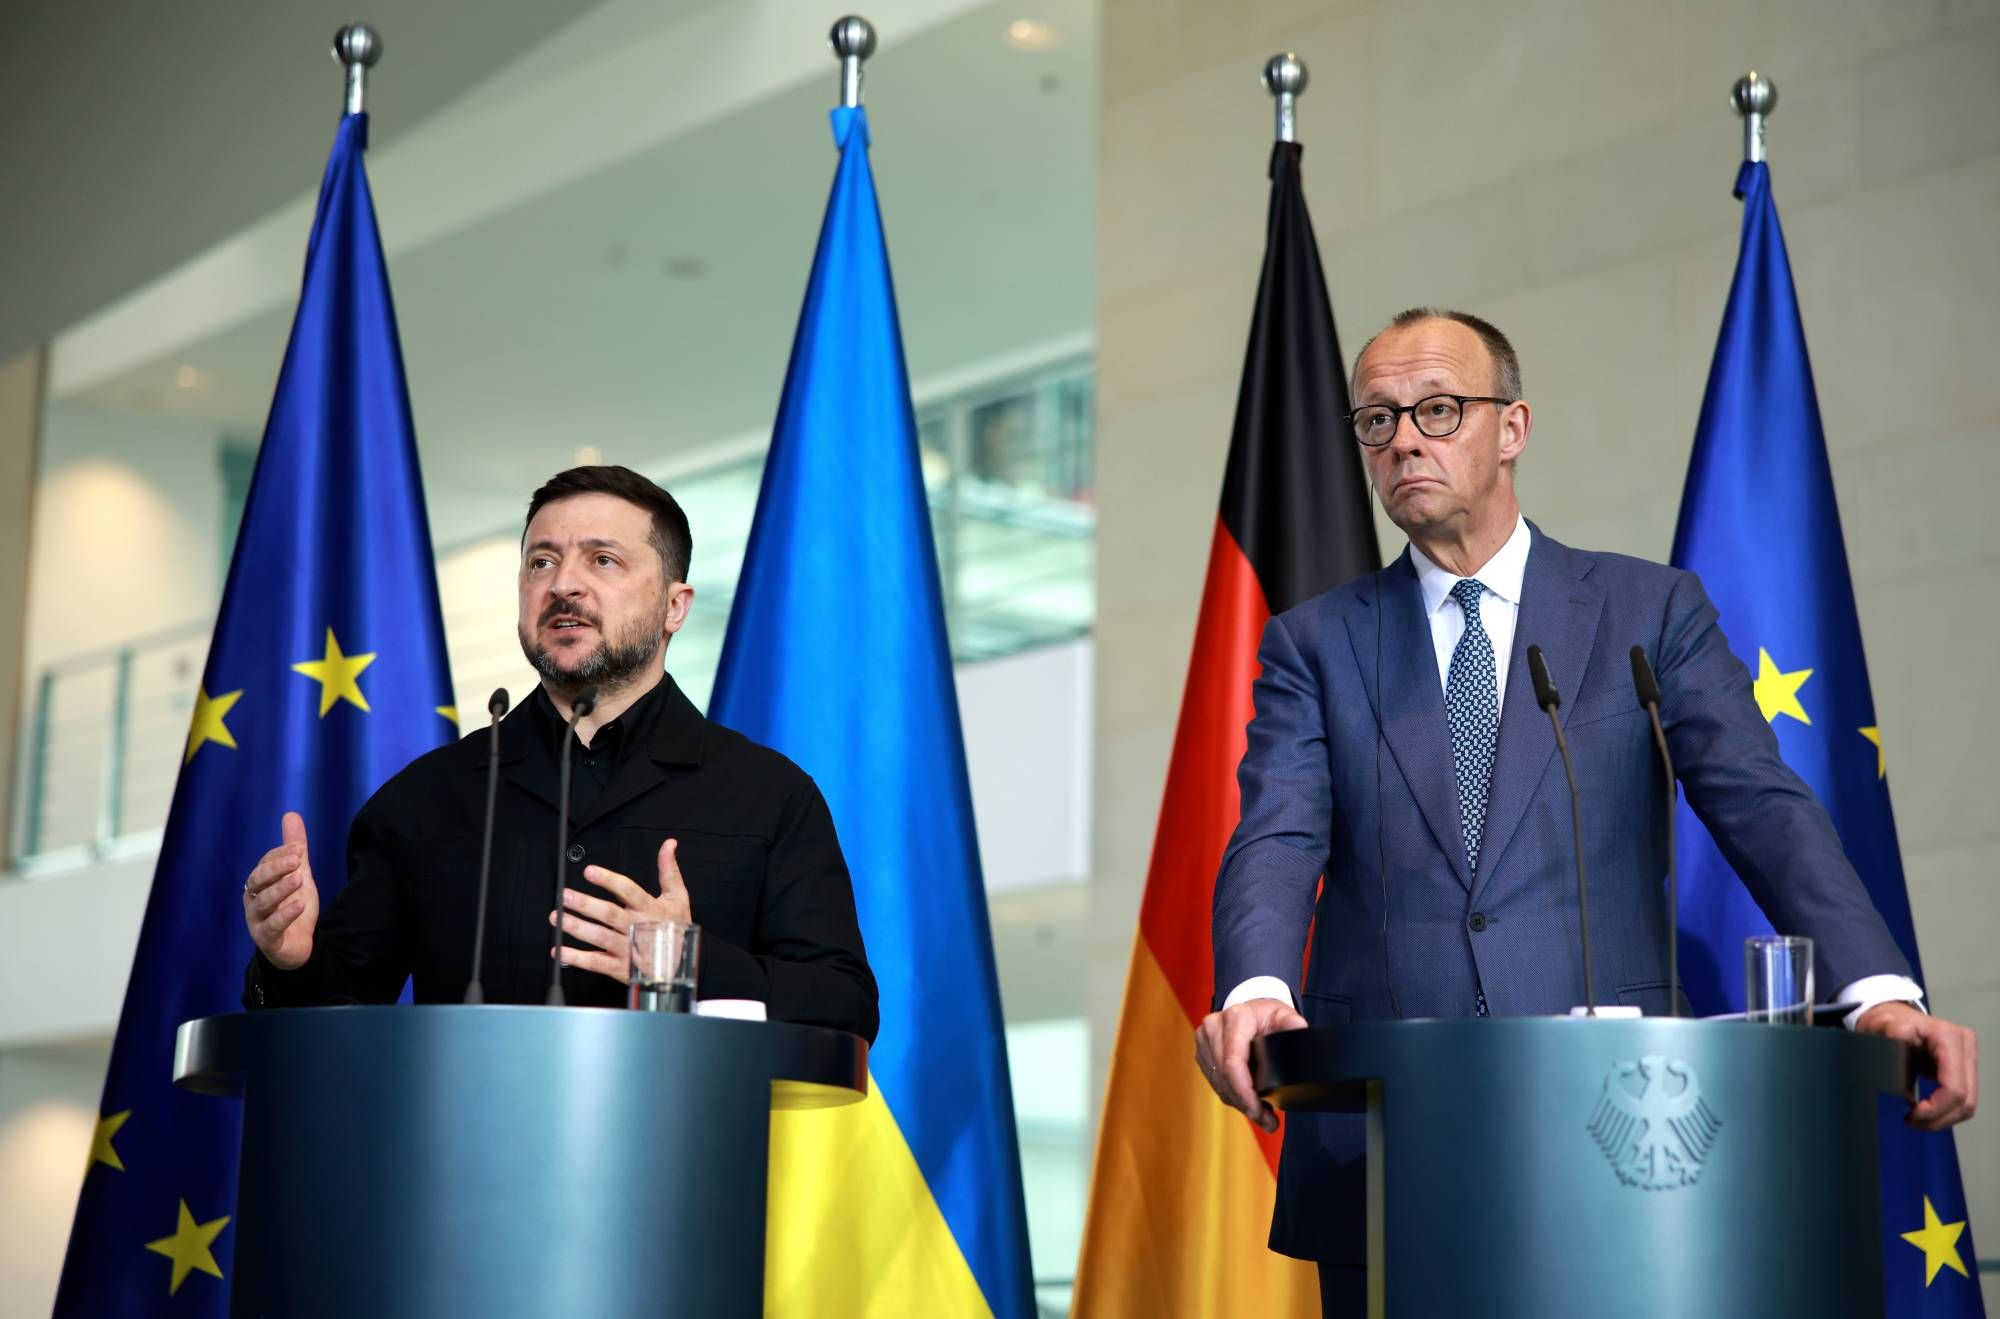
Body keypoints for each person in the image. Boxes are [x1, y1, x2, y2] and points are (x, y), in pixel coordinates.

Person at [1192, 309, 1978, 1312]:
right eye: (1377, 419)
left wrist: (1877, 989)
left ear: (1512, 427)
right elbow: (1276, 831)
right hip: (1385, 1135)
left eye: (1437, 409)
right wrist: (1255, 983)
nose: (1404, 441)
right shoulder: (1314, 644)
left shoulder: (1648, 611)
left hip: (1616, 1132)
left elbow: (1762, 806)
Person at [240, 465, 877, 1041]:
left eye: (603, 560)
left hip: (689, 1134)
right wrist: (290, 962)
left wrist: (689, 962)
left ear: (674, 607)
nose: (563, 584)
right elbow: (331, 1024)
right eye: (541, 562)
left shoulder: (769, 794)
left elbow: (845, 1007)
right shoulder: (427, 796)